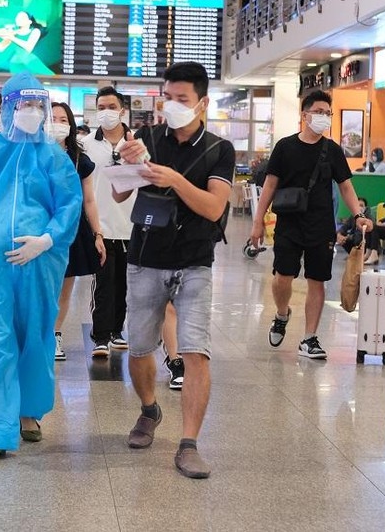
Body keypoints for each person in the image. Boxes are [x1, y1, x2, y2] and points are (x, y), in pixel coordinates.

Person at [0, 71, 82, 464]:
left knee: (35, 335)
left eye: (37, 105)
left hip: (40, 262)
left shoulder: (54, 156)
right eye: (22, 104)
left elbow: (69, 205)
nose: (30, 111)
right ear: (5, 108)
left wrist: (47, 239)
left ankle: (28, 413)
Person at [114, 61, 235, 479]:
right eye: (168, 97)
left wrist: (174, 180)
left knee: (195, 350)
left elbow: (214, 206)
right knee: (140, 347)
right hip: (146, 256)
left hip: (194, 260)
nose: (172, 105)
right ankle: (149, 410)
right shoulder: (147, 137)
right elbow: (118, 192)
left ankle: (189, 443)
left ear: (202, 102)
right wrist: (127, 162)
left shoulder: (220, 149)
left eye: (182, 99)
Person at [250, 89, 373, 360]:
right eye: (318, 112)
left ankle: (309, 338)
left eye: (327, 114)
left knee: (317, 280)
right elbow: (270, 184)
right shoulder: (285, 146)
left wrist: (358, 215)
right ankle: (282, 314)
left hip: (321, 225)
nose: (324, 117)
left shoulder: (332, 150)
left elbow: (346, 187)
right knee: (283, 277)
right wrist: (257, 221)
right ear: (304, 115)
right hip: (289, 223)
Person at [49, 101, 107, 360]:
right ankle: (36, 335)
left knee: (64, 288)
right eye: (53, 119)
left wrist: (98, 234)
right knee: (40, 287)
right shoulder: (31, 153)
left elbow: (91, 201)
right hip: (39, 229)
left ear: (71, 125)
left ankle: (54, 335)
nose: (59, 124)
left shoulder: (79, 159)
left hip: (72, 231)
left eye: (64, 120)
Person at [83, 86, 136, 358]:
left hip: (131, 226)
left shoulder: (136, 142)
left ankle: (117, 331)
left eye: (111, 107)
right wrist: (94, 229)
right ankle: (100, 336)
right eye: (101, 107)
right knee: (103, 284)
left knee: (124, 285)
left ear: (122, 110)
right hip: (101, 226)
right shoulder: (87, 144)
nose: (106, 112)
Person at [337, 197, 380, 264]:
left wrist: (349, 237)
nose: (359, 207)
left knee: (361, 237)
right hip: (356, 241)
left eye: (361, 205)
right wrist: (339, 235)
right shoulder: (353, 216)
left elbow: (361, 236)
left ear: (365, 207)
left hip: (367, 244)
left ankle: (368, 256)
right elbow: (344, 227)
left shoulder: (369, 217)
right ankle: (354, 255)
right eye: (358, 205)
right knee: (343, 238)